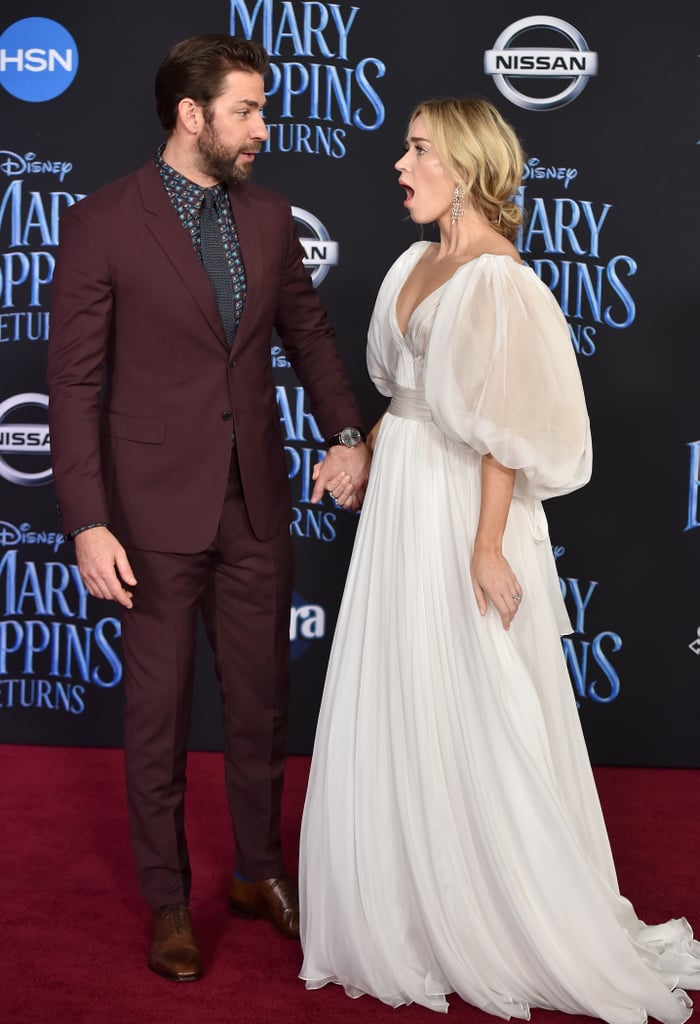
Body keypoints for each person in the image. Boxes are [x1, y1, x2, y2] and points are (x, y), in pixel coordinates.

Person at [298, 97, 700, 1020]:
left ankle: (496, 908)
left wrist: (484, 546)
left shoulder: (501, 280)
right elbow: (404, 397)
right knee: (405, 689)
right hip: (403, 496)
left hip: (460, 510)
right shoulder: (415, 259)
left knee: (475, 696)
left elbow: (505, 432)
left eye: (419, 149)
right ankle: (404, 904)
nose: (399, 164)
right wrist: (360, 449)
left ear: (468, 165)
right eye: (404, 146)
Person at [47, 34, 369, 983]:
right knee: (156, 713)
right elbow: (71, 386)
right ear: (192, 115)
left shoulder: (270, 218)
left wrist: (347, 434)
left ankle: (258, 873)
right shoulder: (103, 221)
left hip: (258, 505)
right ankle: (169, 899)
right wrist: (87, 521)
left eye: (261, 111)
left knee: (262, 709)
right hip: (147, 517)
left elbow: (308, 337)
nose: (261, 130)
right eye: (246, 112)